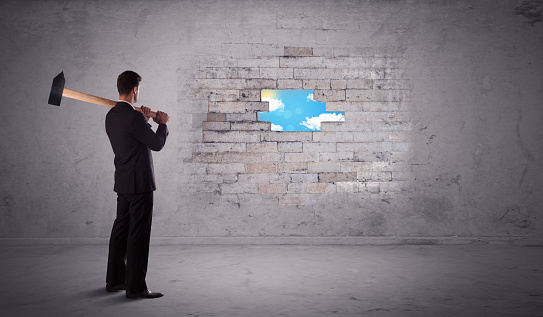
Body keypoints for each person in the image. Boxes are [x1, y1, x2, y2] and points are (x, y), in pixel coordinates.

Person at [104, 70, 169, 299]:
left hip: (122, 182)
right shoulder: (134, 118)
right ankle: (136, 287)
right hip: (140, 184)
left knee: (120, 231)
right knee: (138, 235)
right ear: (134, 89)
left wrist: (145, 120)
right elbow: (156, 144)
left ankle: (114, 280)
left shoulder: (111, 115)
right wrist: (162, 124)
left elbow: (133, 137)